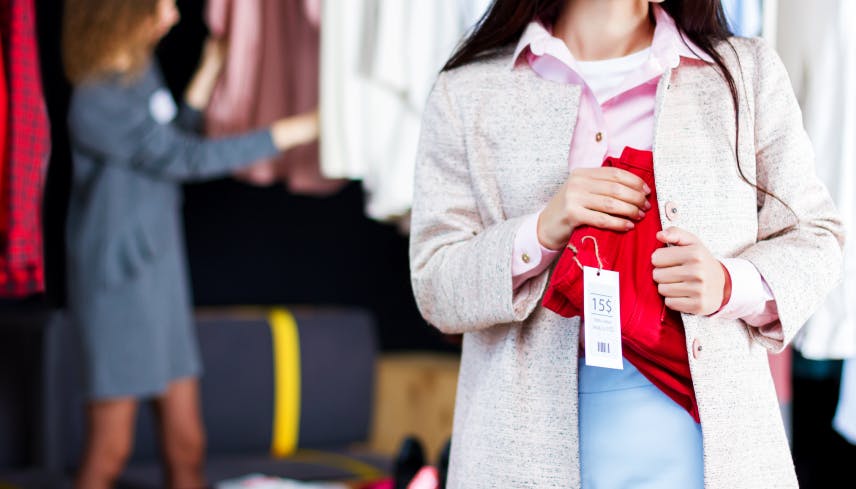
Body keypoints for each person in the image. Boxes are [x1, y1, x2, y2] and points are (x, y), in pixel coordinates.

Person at [409, 0, 844, 488]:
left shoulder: (743, 73)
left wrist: (727, 283)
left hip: (707, 447)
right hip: (521, 452)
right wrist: (540, 230)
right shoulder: (466, 91)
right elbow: (434, 285)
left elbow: (818, 238)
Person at [62, 1, 318, 487]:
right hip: (116, 288)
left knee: (187, 446)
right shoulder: (92, 100)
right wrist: (290, 132)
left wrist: (208, 71)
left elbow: (167, 139)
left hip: (161, 278)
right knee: (109, 451)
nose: (174, 16)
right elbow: (179, 157)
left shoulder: (140, 72)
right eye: (164, 6)